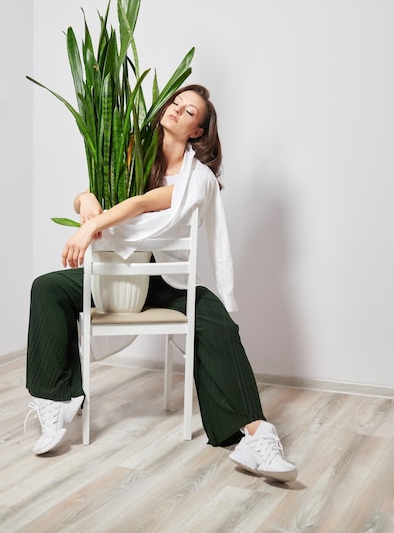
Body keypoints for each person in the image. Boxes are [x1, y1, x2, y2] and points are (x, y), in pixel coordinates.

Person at [26, 84, 297, 483]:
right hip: (120, 273)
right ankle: (57, 400)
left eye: (190, 112)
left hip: (169, 279)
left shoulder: (200, 178)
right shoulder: (129, 158)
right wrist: (85, 199)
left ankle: (256, 436)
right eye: (175, 102)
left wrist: (96, 225)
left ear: (198, 132)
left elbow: (143, 206)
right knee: (47, 287)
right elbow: (98, 197)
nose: (177, 110)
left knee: (217, 322)